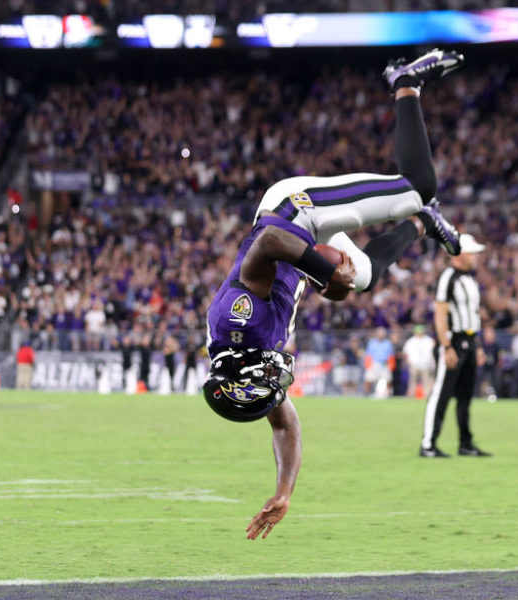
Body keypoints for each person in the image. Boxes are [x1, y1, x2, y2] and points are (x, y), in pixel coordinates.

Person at [200, 49, 467, 540]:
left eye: (266, 380)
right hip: (303, 249)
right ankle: (422, 225)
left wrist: (324, 272)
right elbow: (284, 425)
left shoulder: (239, 318)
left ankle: (406, 82)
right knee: (364, 277)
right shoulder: (246, 363)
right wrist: (284, 491)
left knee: (418, 184)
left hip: (295, 212)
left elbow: (270, 240)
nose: (277, 381)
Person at [420, 232, 491, 458]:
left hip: (469, 340)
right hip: (453, 340)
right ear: (460, 254)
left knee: (465, 396)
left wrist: (477, 345)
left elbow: (473, 315)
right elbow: (440, 314)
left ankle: (465, 443)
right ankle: (428, 444)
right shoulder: (448, 277)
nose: (476, 257)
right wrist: (446, 346)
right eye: (472, 253)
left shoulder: (470, 279)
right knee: (442, 394)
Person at [402, 324, 436, 399]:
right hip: (414, 364)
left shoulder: (429, 340)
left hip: (426, 365)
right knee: (412, 382)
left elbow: (433, 353)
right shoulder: (410, 341)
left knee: (427, 382)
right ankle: (411, 396)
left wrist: (433, 364)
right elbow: (405, 353)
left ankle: (428, 397)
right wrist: (408, 362)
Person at [364, 327, 395, 397]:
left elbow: (391, 355)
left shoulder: (388, 343)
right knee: (369, 379)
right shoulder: (372, 343)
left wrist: (391, 365)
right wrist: (368, 364)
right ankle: (366, 393)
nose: (381, 335)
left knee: (388, 379)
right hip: (374, 363)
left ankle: (389, 393)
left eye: (382, 334)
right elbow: (368, 355)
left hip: (385, 364)